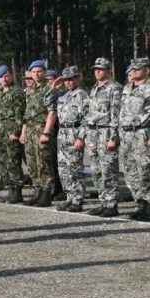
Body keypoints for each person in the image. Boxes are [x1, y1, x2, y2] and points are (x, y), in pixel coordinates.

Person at [119, 58, 150, 222]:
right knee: (131, 172)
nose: (133, 71)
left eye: (137, 69)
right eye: (132, 69)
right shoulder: (127, 89)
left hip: (143, 135)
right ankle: (140, 204)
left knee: (145, 171)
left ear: (147, 70)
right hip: (127, 135)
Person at [82, 57, 123, 217]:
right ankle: (103, 201)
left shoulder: (115, 88)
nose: (97, 71)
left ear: (108, 70)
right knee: (96, 170)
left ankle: (112, 204)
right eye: (95, 69)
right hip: (93, 134)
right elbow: (90, 113)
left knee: (108, 170)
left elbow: (116, 114)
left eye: (101, 69)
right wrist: (86, 135)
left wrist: (114, 137)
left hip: (106, 133)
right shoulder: (95, 88)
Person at [20, 60, 58, 207]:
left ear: (44, 72)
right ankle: (38, 191)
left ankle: (47, 193)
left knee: (44, 162)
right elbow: (26, 113)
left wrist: (47, 132)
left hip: (42, 128)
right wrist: (23, 132)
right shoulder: (30, 89)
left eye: (39, 71)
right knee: (32, 162)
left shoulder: (50, 88)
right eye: (33, 72)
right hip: (30, 128)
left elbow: (52, 113)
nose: (36, 74)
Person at [54, 66, 89, 212]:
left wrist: (81, 137)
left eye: (71, 79)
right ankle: (69, 197)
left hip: (74, 132)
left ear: (78, 79)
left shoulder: (82, 96)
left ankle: (77, 199)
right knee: (63, 169)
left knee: (75, 168)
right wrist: (53, 88)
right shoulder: (63, 96)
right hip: (62, 133)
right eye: (66, 80)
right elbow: (47, 102)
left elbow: (86, 119)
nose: (68, 82)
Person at [0, 65, 25, 204]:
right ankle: (10, 190)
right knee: (4, 161)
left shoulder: (16, 91)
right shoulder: (0, 92)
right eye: (1, 77)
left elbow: (19, 113)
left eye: (6, 76)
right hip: (1, 131)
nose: (4, 79)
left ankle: (17, 191)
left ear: (11, 76)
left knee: (13, 161)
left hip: (11, 130)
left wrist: (17, 131)